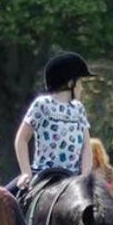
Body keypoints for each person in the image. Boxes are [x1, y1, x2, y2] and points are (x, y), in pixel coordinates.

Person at [13, 52, 95, 192]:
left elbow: (86, 147)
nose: (81, 88)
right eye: (80, 82)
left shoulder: (79, 108)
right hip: (43, 174)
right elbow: (22, 139)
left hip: (72, 177)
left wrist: (85, 176)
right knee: (5, 198)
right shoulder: (42, 104)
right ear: (70, 83)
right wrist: (26, 172)